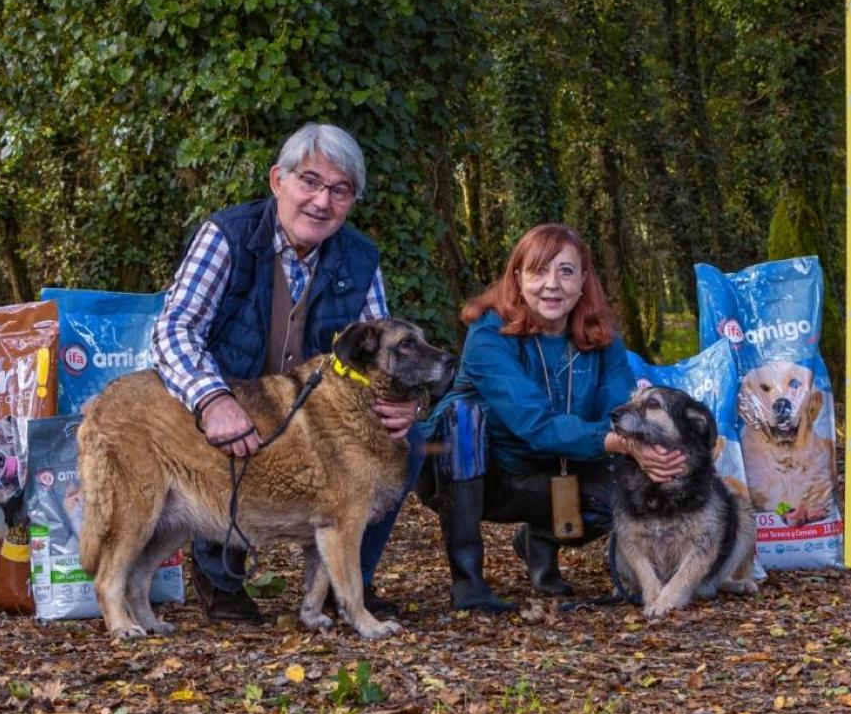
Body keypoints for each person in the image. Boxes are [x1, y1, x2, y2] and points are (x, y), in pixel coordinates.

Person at [152, 123, 420, 624]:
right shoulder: (227, 235)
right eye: (310, 182)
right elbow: (174, 329)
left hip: (314, 411)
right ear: (278, 180)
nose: (322, 201)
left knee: (408, 440)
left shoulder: (360, 258)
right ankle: (220, 578)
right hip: (236, 391)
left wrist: (404, 406)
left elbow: (386, 358)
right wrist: (211, 399)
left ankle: (349, 583)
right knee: (234, 440)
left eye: (340, 191)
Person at [419, 224, 687, 610]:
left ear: (583, 280)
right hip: (482, 472)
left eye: (565, 271)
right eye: (538, 271)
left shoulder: (603, 336)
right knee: (463, 418)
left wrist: (649, 451)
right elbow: (534, 424)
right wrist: (618, 442)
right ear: (517, 278)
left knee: (628, 492)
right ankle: (468, 581)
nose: (552, 284)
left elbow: (622, 413)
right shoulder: (488, 333)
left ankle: (539, 539)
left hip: (561, 466)